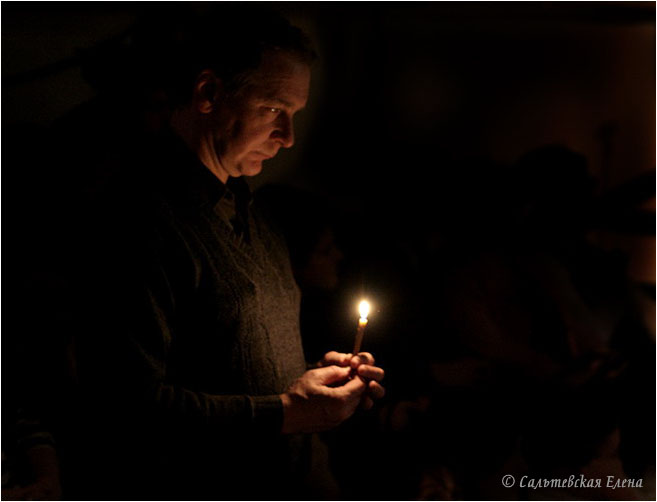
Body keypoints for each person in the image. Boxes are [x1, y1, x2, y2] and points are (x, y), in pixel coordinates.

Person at [69, 8, 384, 500]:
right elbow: (125, 407)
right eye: (274, 110)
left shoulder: (255, 218)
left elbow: (231, 361)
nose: (288, 137)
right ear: (209, 94)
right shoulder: (138, 222)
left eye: (295, 116)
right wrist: (284, 412)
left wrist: (317, 389)